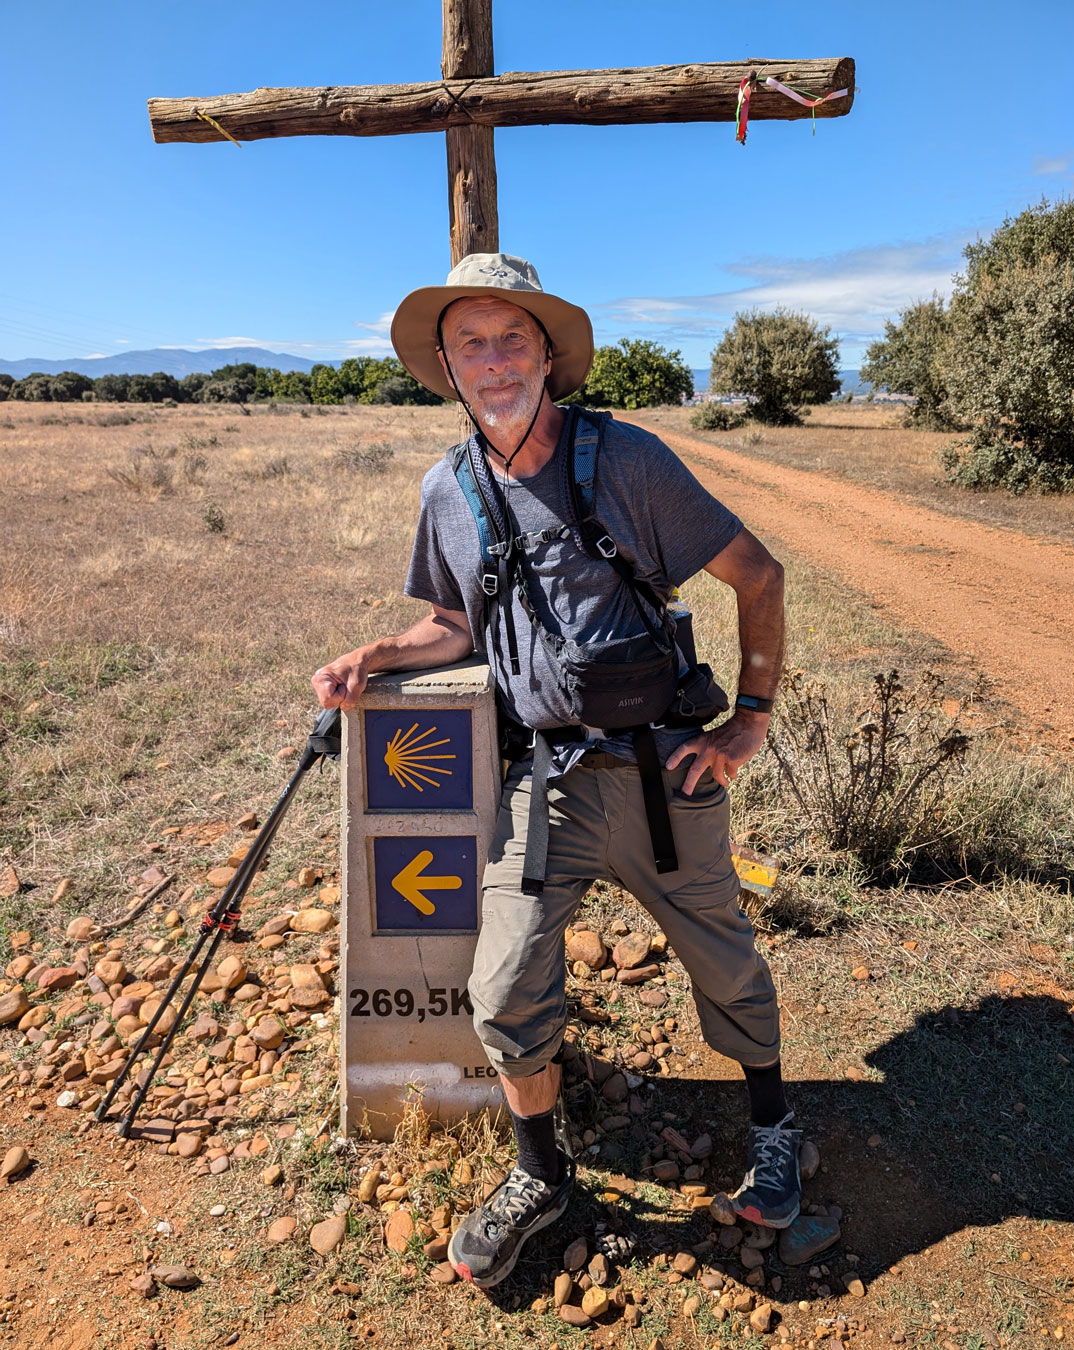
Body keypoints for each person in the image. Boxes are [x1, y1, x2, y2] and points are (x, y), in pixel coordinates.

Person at [312, 253, 795, 1289]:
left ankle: (775, 1129)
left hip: (666, 774)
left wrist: (751, 717)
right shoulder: (448, 489)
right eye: (471, 343)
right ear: (445, 363)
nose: (493, 362)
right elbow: (452, 625)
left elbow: (760, 573)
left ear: (548, 353)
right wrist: (377, 656)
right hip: (548, 786)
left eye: (512, 339)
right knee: (503, 987)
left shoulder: (626, 460)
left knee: (724, 964)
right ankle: (543, 1174)